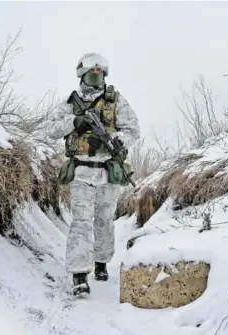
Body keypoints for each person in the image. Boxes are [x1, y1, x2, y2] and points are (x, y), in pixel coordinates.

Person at [47, 52, 141, 295]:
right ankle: (79, 274)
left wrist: (119, 141)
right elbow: (51, 129)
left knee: (104, 221)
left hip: (107, 173)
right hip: (81, 171)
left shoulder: (116, 101)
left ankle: (101, 262)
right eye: (92, 72)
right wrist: (74, 122)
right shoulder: (71, 102)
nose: (96, 76)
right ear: (82, 74)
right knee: (81, 222)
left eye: (100, 72)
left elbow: (133, 129)